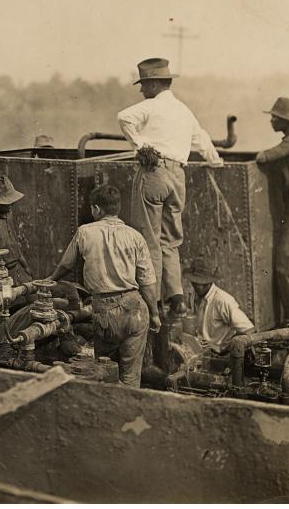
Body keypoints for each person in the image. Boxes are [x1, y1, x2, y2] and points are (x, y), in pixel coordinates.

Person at [117, 58, 223, 317]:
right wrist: (215, 160)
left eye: (144, 85)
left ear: (153, 84)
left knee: (148, 241)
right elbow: (202, 138)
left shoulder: (151, 106)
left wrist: (142, 146)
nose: (142, 90)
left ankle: (151, 305)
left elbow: (123, 117)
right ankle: (176, 298)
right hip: (178, 176)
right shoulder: (184, 110)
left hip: (154, 173)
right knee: (170, 242)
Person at [48, 185, 159, 388]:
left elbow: (66, 264)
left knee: (104, 373)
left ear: (97, 209)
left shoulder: (84, 232)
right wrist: (156, 314)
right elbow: (147, 281)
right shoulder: (135, 236)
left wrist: (51, 279)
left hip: (105, 312)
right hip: (135, 308)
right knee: (131, 376)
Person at [255, 97, 289, 324]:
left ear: (287, 121)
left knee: (286, 267)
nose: (271, 121)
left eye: (275, 117)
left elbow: (264, 156)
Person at [184, 257, 255, 353]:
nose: (196, 286)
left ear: (208, 282)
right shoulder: (194, 295)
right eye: (194, 282)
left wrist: (221, 348)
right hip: (200, 350)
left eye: (200, 282)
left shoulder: (222, 300)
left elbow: (250, 330)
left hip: (220, 354)